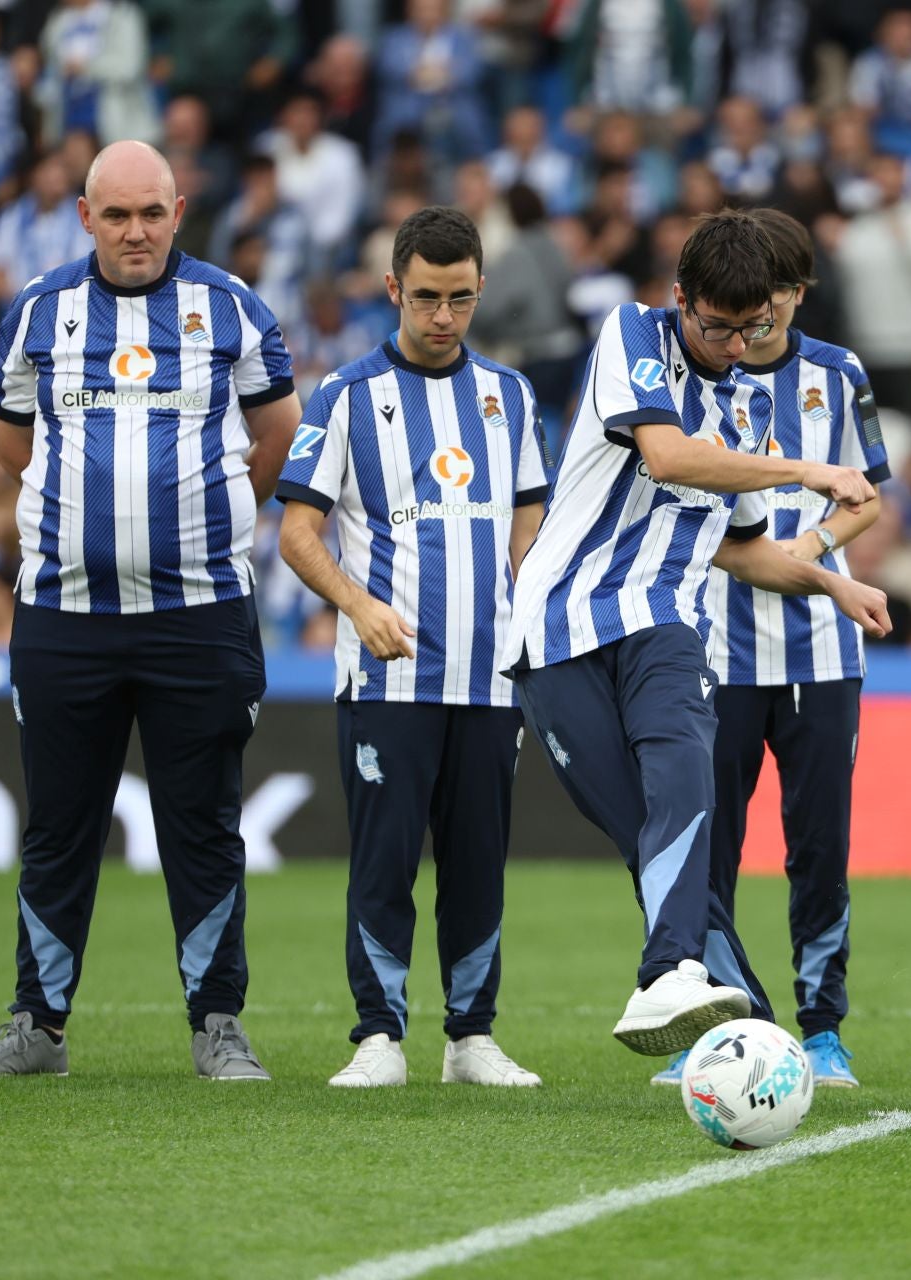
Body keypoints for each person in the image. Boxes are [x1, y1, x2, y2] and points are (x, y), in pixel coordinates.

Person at [500, 208, 890, 1058]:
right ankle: (739, 1013)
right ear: (681, 299)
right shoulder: (631, 335)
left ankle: (671, 978)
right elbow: (670, 457)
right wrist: (809, 469)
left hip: (665, 622)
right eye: (717, 327)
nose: (735, 346)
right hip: (559, 623)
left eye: (752, 329)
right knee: (647, 826)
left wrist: (830, 582)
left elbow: (743, 551)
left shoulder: (746, 410)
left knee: (684, 778)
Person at [0, 141, 300, 1080]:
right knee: (58, 824)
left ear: (179, 210)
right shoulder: (38, 313)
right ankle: (38, 1024)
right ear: (86, 218)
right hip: (65, 617)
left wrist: (205, 513)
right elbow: (16, 446)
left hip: (200, 613)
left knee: (206, 823)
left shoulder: (232, 306)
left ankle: (217, 1023)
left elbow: (276, 434)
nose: (136, 231)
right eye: (117, 215)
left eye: (152, 212)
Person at [275, 206, 548, 1090]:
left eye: (460, 299)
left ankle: (471, 1038)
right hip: (387, 681)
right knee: (383, 864)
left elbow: (529, 521)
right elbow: (298, 533)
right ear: (394, 288)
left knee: (477, 867)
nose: (443, 317)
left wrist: (530, 610)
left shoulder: (509, 396)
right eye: (426, 297)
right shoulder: (346, 396)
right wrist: (357, 605)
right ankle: (378, 1036)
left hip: (490, 681)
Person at [645, 209, 890, 1089]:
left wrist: (816, 550)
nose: (762, 319)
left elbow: (866, 493)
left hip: (824, 655)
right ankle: (710, 1026)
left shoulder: (839, 373)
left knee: (820, 847)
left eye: (780, 297)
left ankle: (823, 1030)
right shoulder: (698, 376)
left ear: (798, 292)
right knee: (711, 849)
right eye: (751, 307)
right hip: (714, 648)